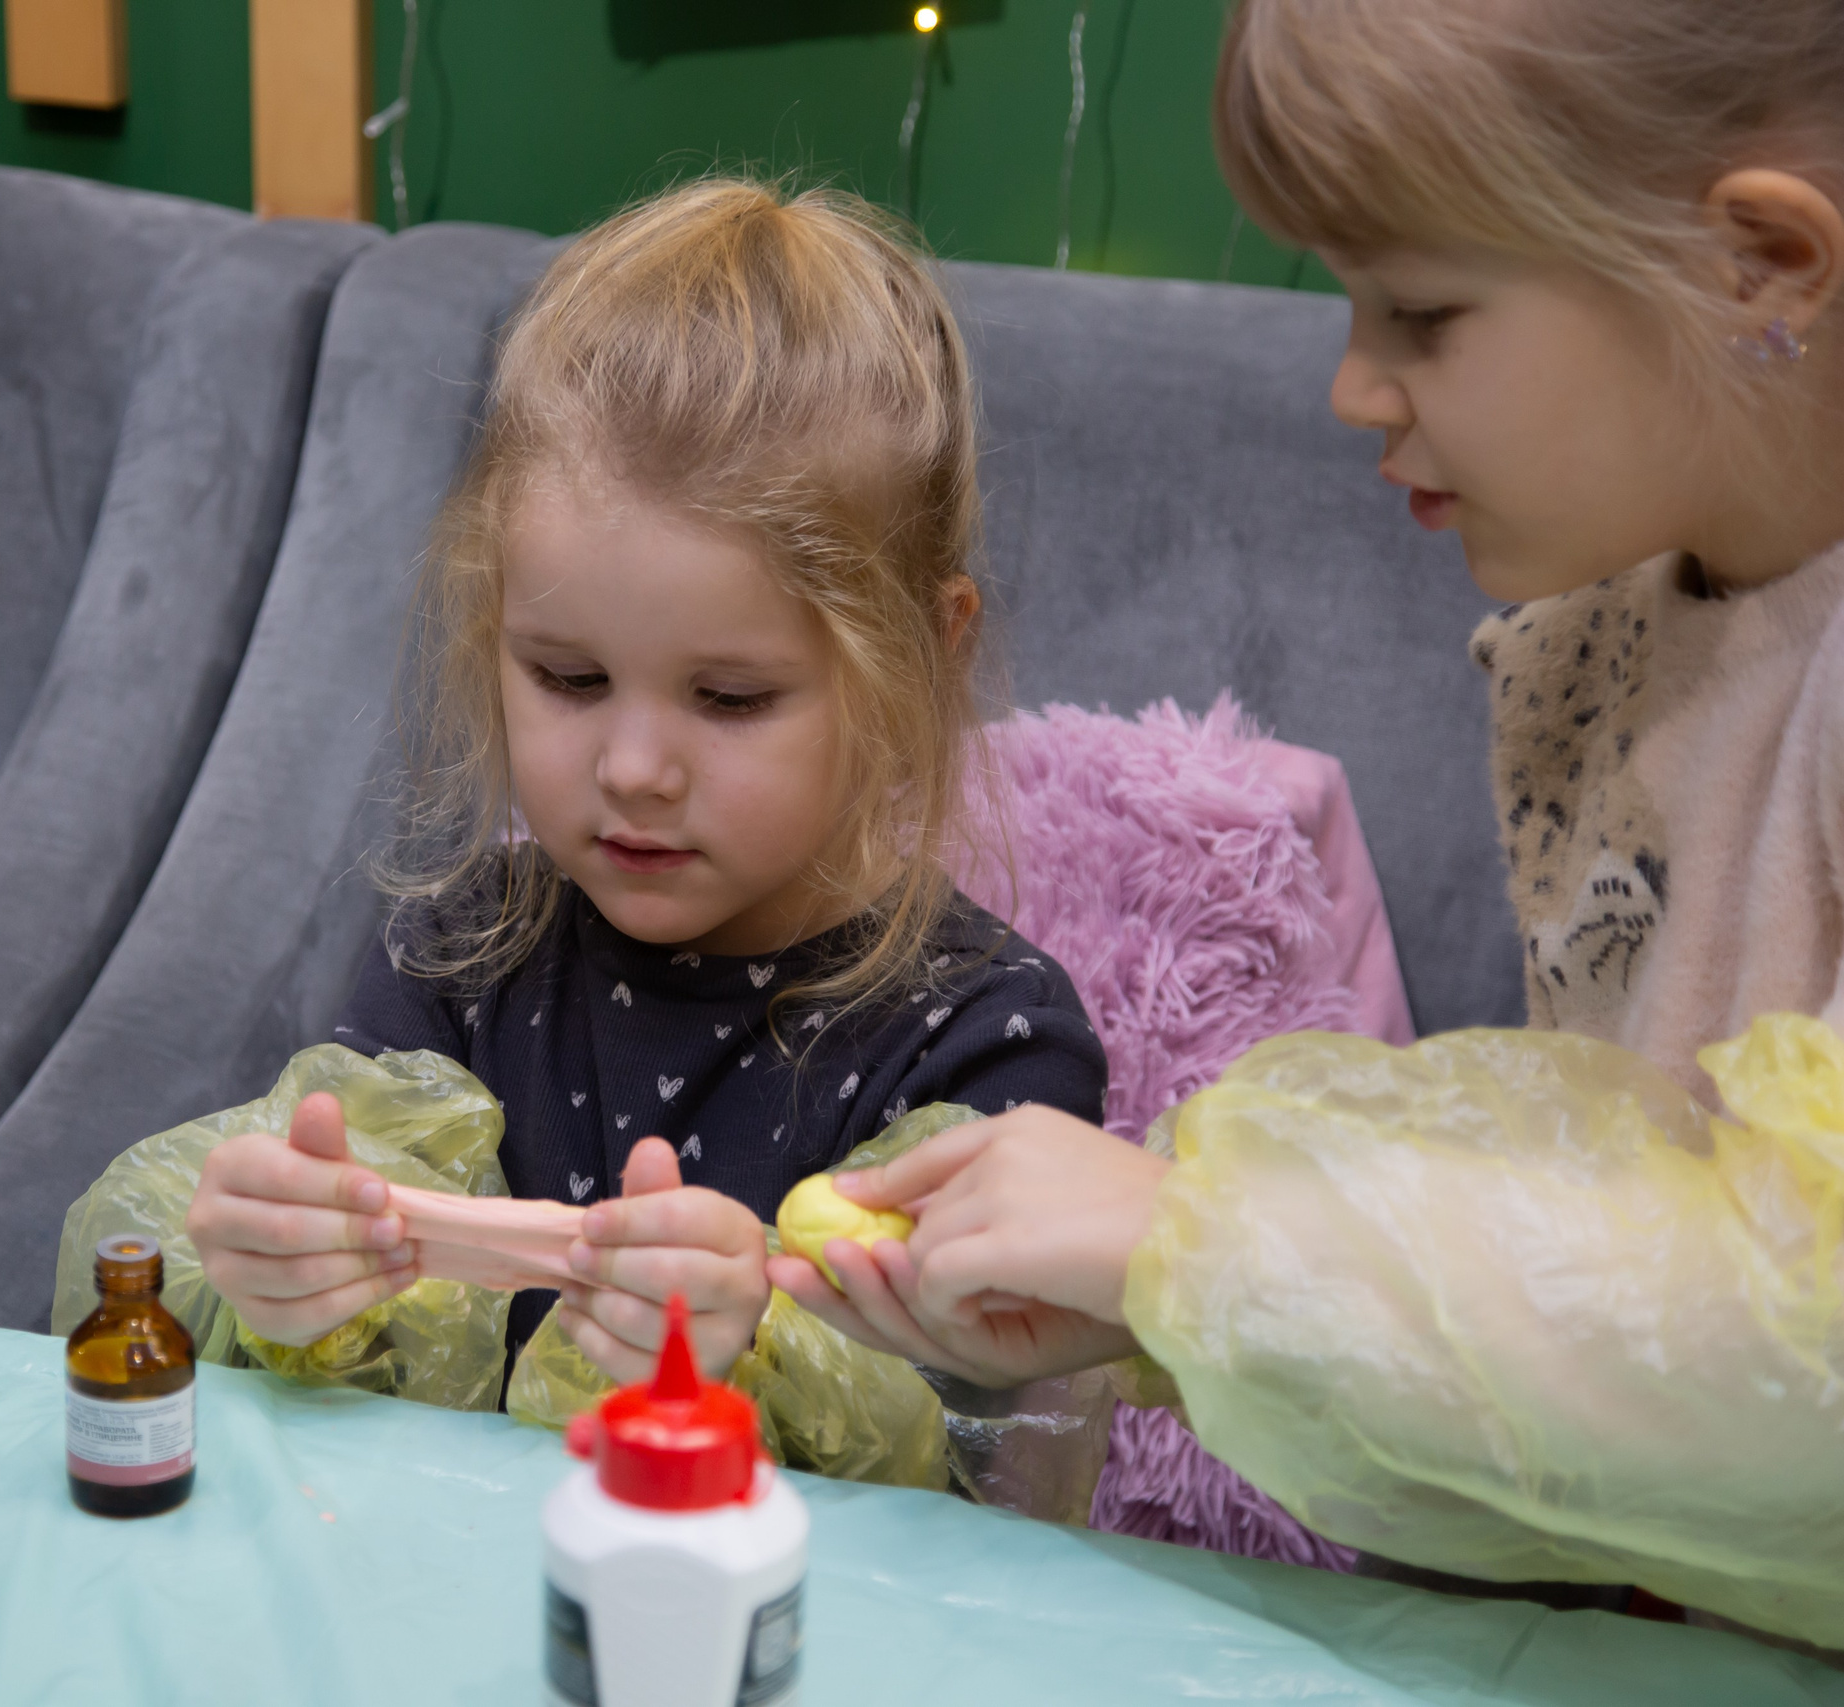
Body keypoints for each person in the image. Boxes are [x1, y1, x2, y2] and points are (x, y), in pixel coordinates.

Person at [773, 0, 1844, 1648]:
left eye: (1421, 311)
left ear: (1757, 264)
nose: (1353, 385)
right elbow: (1624, 1328)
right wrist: (1160, 1307)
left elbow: (1799, 1344)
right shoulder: (1619, 639)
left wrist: (1203, 1242)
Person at [185, 177, 1107, 1388]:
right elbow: (357, 1397)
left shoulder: (982, 1045)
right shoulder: (460, 958)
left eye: (728, 699)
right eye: (568, 678)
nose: (631, 771)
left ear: (924, 662)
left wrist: (760, 1362)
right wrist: (290, 1288)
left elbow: (976, 1448)